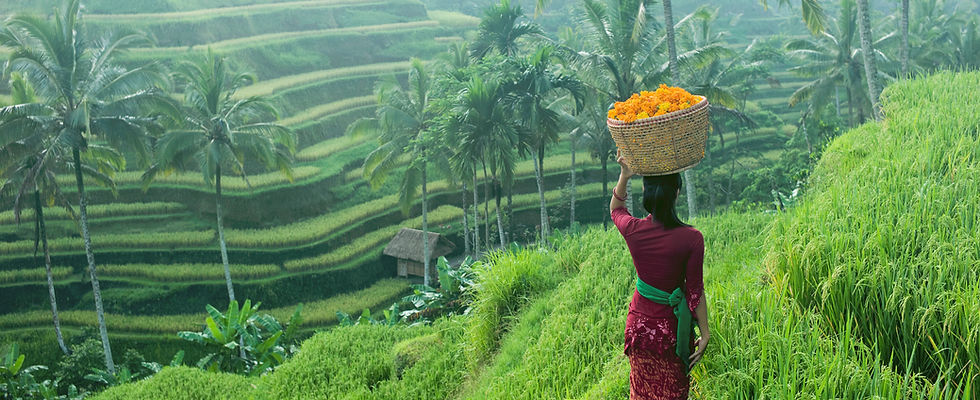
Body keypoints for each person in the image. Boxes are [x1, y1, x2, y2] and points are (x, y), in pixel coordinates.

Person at [610, 151, 709, 399]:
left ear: (646, 193)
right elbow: (695, 291)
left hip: (640, 330)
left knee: (642, 392)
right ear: (676, 193)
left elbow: (616, 209)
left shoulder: (635, 230)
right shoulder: (692, 239)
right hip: (671, 334)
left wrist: (624, 175)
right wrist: (705, 333)